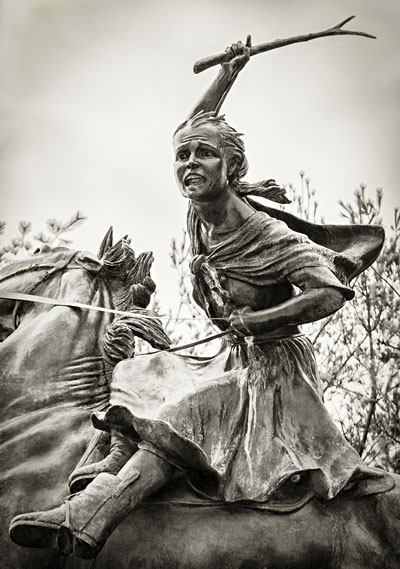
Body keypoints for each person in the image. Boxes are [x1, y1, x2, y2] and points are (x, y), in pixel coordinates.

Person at [9, 40, 393, 560]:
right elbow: (193, 125)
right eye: (183, 157)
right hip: (231, 355)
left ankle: (87, 520)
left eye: (204, 154)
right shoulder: (199, 214)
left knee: (191, 408)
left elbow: (330, 291)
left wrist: (261, 318)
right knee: (143, 373)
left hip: (274, 370)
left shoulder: (268, 235)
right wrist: (227, 74)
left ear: (230, 167)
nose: (189, 163)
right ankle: (100, 477)